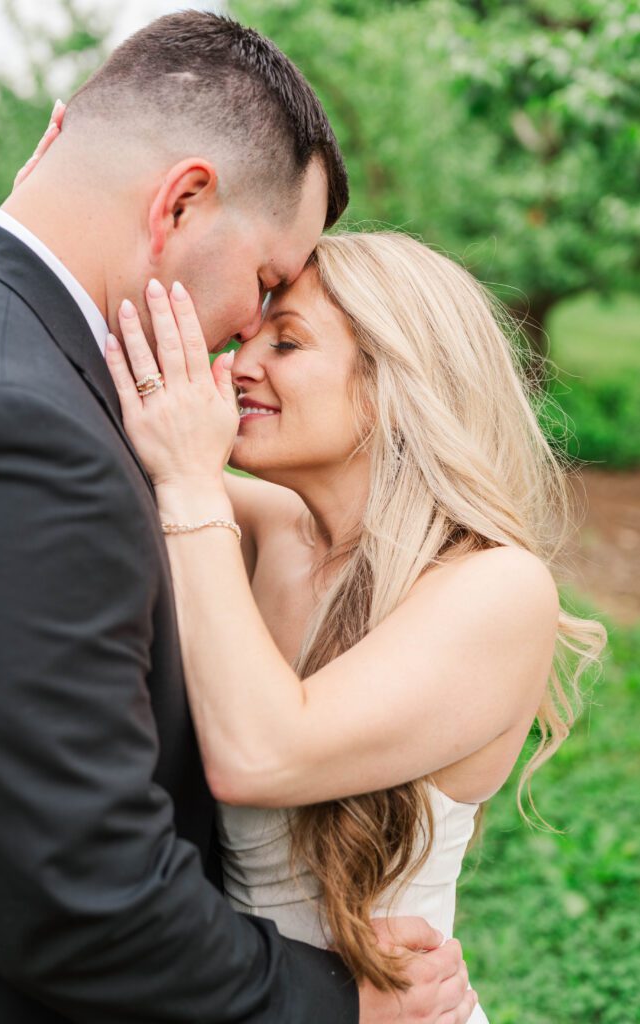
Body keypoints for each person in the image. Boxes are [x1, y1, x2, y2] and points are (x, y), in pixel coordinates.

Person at [0, 11, 475, 1024]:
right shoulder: (32, 422)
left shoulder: (13, 356)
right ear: (184, 201)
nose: (242, 339)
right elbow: (75, 887)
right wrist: (339, 1004)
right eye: (269, 282)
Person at [102, 232, 607, 1022]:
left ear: (389, 384)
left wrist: (194, 483)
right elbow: (95, 457)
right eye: (244, 340)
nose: (236, 367)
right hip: (254, 1001)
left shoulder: (498, 589)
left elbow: (260, 756)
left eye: (287, 342)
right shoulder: (272, 532)